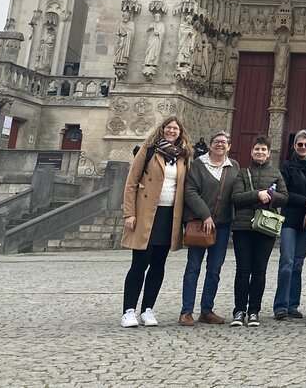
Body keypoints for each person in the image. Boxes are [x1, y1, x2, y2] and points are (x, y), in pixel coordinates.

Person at [120, 116, 189, 328]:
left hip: (169, 216)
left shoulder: (184, 156)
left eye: (175, 129)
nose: (172, 131)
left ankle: (148, 309)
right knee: (140, 263)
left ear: (180, 132)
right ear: (162, 129)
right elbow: (131, 183)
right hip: (146, 213)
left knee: (159, 265)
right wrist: (129, 214)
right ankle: (128, 311)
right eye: (169, 127)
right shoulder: (148, 150)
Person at [179, 131, 238, 326]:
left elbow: (237, 193)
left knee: (214, 269)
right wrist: (205, 215)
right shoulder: (199, 164)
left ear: (229, 146)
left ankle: (207, 310)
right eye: (216, 142)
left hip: (222, 226)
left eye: (224, 142)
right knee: (193, 268)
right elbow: (190, 191)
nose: (220, 145)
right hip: (199, 224)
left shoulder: (234, 166)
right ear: (210, 145)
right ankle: (186, 311)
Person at [230, 135, 288, 326]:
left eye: (263, 149)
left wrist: (270, 196)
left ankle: (254, 311)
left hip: (266, 227)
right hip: (243, 227)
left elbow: (284, 197)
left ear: (269, 153)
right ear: (251, 152)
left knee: (260, 270)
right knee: (242, 270)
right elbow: (236, 198)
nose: (260, 152)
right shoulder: (242, 173)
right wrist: (257, 194)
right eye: (257, 149)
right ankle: (239, 311)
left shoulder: (276, 173)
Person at [271, 129, 306, 321]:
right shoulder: (287, 166)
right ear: (294, 146)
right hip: (290, 219)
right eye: (299, 145)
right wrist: (305, 202)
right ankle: (280, 306)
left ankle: (293, 305)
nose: (303, 148)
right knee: (287, 262)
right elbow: (284, 193)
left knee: (298, 264)